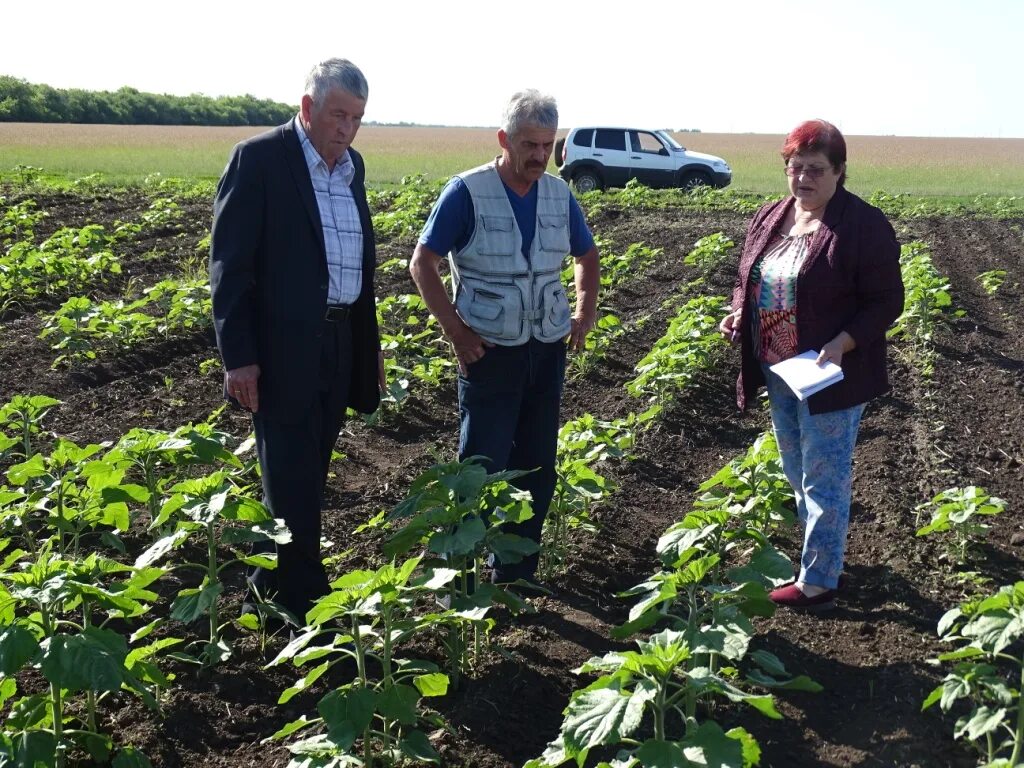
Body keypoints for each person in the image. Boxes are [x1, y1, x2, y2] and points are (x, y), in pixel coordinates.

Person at [210, 58, 384, 622]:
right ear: (308, 108)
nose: (347, 128)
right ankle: (311, 601)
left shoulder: (352, 167)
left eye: (357, 118)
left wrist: (369, 349)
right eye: (339, 115)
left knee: (308, 473)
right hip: (281, 352)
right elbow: (230, 269)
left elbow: (358, 266)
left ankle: (263, 594)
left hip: (339, 342)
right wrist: (240, 359)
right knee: (287, 476)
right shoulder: (260, 159)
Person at [409, 90, 600, 586]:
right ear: (504, 139)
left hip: (546, 349)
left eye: (547, 144)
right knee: (480, 465)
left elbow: (587, 255)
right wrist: (457, 332)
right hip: (489, 351)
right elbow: (422, 264)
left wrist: (584, 312)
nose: (539, 155)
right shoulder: (466, 192)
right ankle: (461, 578)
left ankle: (516, 574)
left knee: (538, 466)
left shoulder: (560, 194)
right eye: (529, 144)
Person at [719, 119, 904, 610]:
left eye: (815, 170)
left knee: (825, 474)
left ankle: (820, 580)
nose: (802, 179)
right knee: (796, 466)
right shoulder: (771, 216)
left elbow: (887, 301)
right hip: (779, 366)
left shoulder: (863, 226)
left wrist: (844, 342)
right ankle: (819, 551)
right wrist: (741, 310)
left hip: (831, 371)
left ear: (839, 172)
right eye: (795, 168)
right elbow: (748, 275)